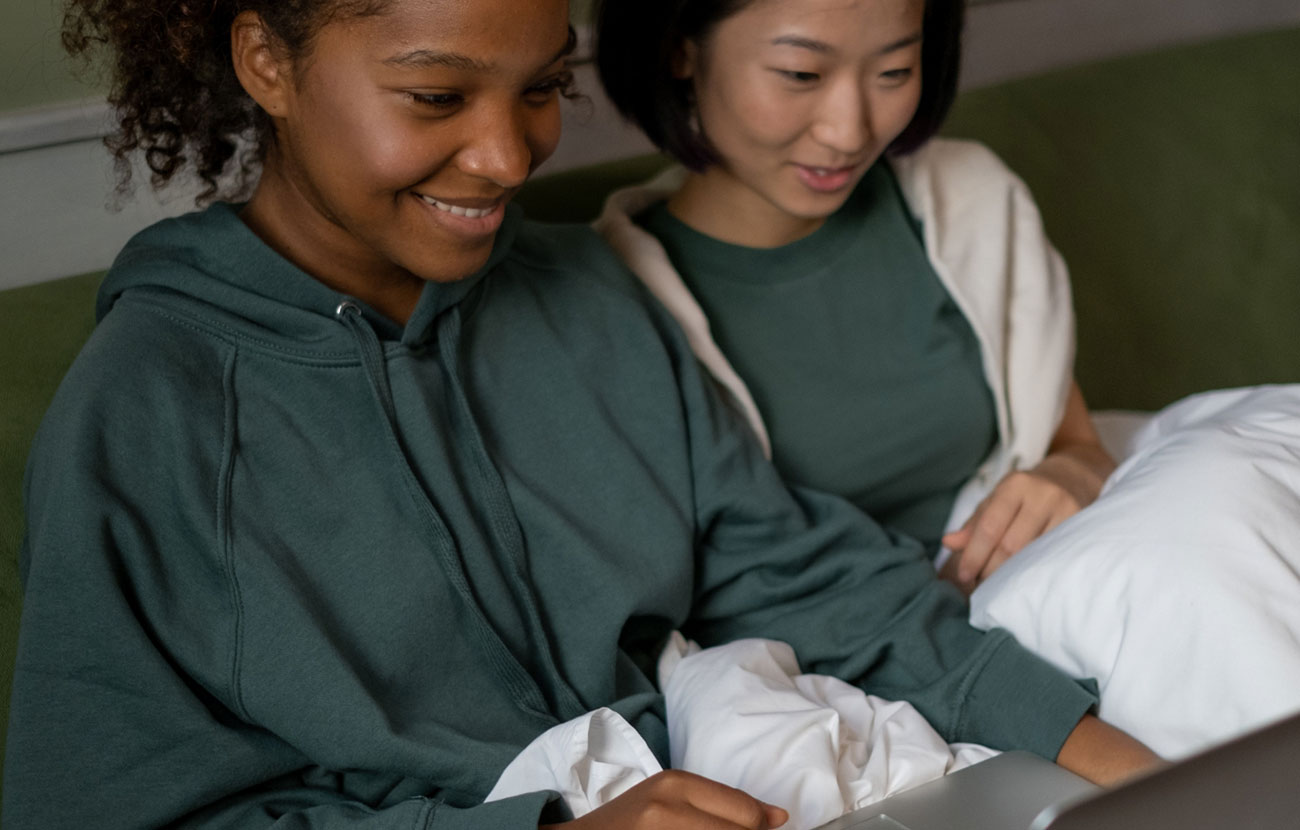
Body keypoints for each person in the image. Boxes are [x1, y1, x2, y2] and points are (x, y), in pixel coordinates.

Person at [4, 0, 1156, 827]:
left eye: (545, 87)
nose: (508, 156)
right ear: (265, 58)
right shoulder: (149, 413)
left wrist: (1126, 766)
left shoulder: (585, 297)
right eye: (436, 95)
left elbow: (795, 568)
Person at [592, 0, 1116, 590]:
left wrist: (1070, 476)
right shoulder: (607, 305)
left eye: (893, 73)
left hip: (1038, 593)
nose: (849, 131)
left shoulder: (967, 205)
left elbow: (1078, 446)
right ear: (681, 51)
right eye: (801, 74)